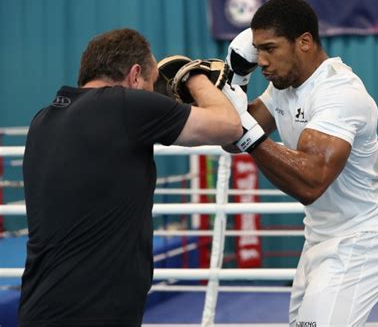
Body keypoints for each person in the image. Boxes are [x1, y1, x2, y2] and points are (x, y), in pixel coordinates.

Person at [19, 28, 242, 327]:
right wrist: (193, 76)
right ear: (135, 75)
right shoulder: (124, 105)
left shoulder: (44, 118)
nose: (152, 93)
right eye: (150, 84)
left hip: (41, 307)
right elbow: (229, 126)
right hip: (92, 313)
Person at [224, 0, 378, 327]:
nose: (261, 61)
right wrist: (235, 85)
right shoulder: (283, 86)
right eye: (257, 50)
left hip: (361, 240)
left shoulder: (339, 93)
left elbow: (311, 182)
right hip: (319, 239)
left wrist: (244, 129)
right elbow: (233, 139)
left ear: (304, 42)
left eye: (270, 48)